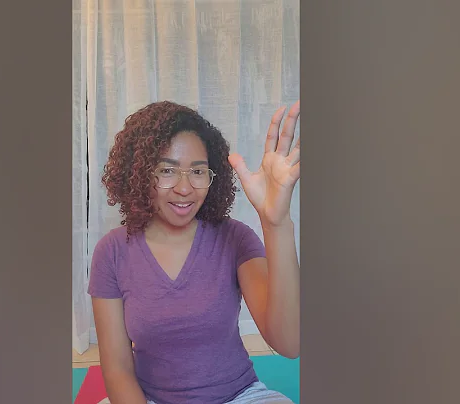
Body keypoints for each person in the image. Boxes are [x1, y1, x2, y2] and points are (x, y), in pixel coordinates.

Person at [88, 100, 301, 404]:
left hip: (238, 397)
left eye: (198, 171)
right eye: (167, 170)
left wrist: (276, 223)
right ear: (139, 173)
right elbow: (118, 369)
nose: (185, 188)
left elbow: (289, 343)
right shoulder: (111, 251)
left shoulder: (235, 238)